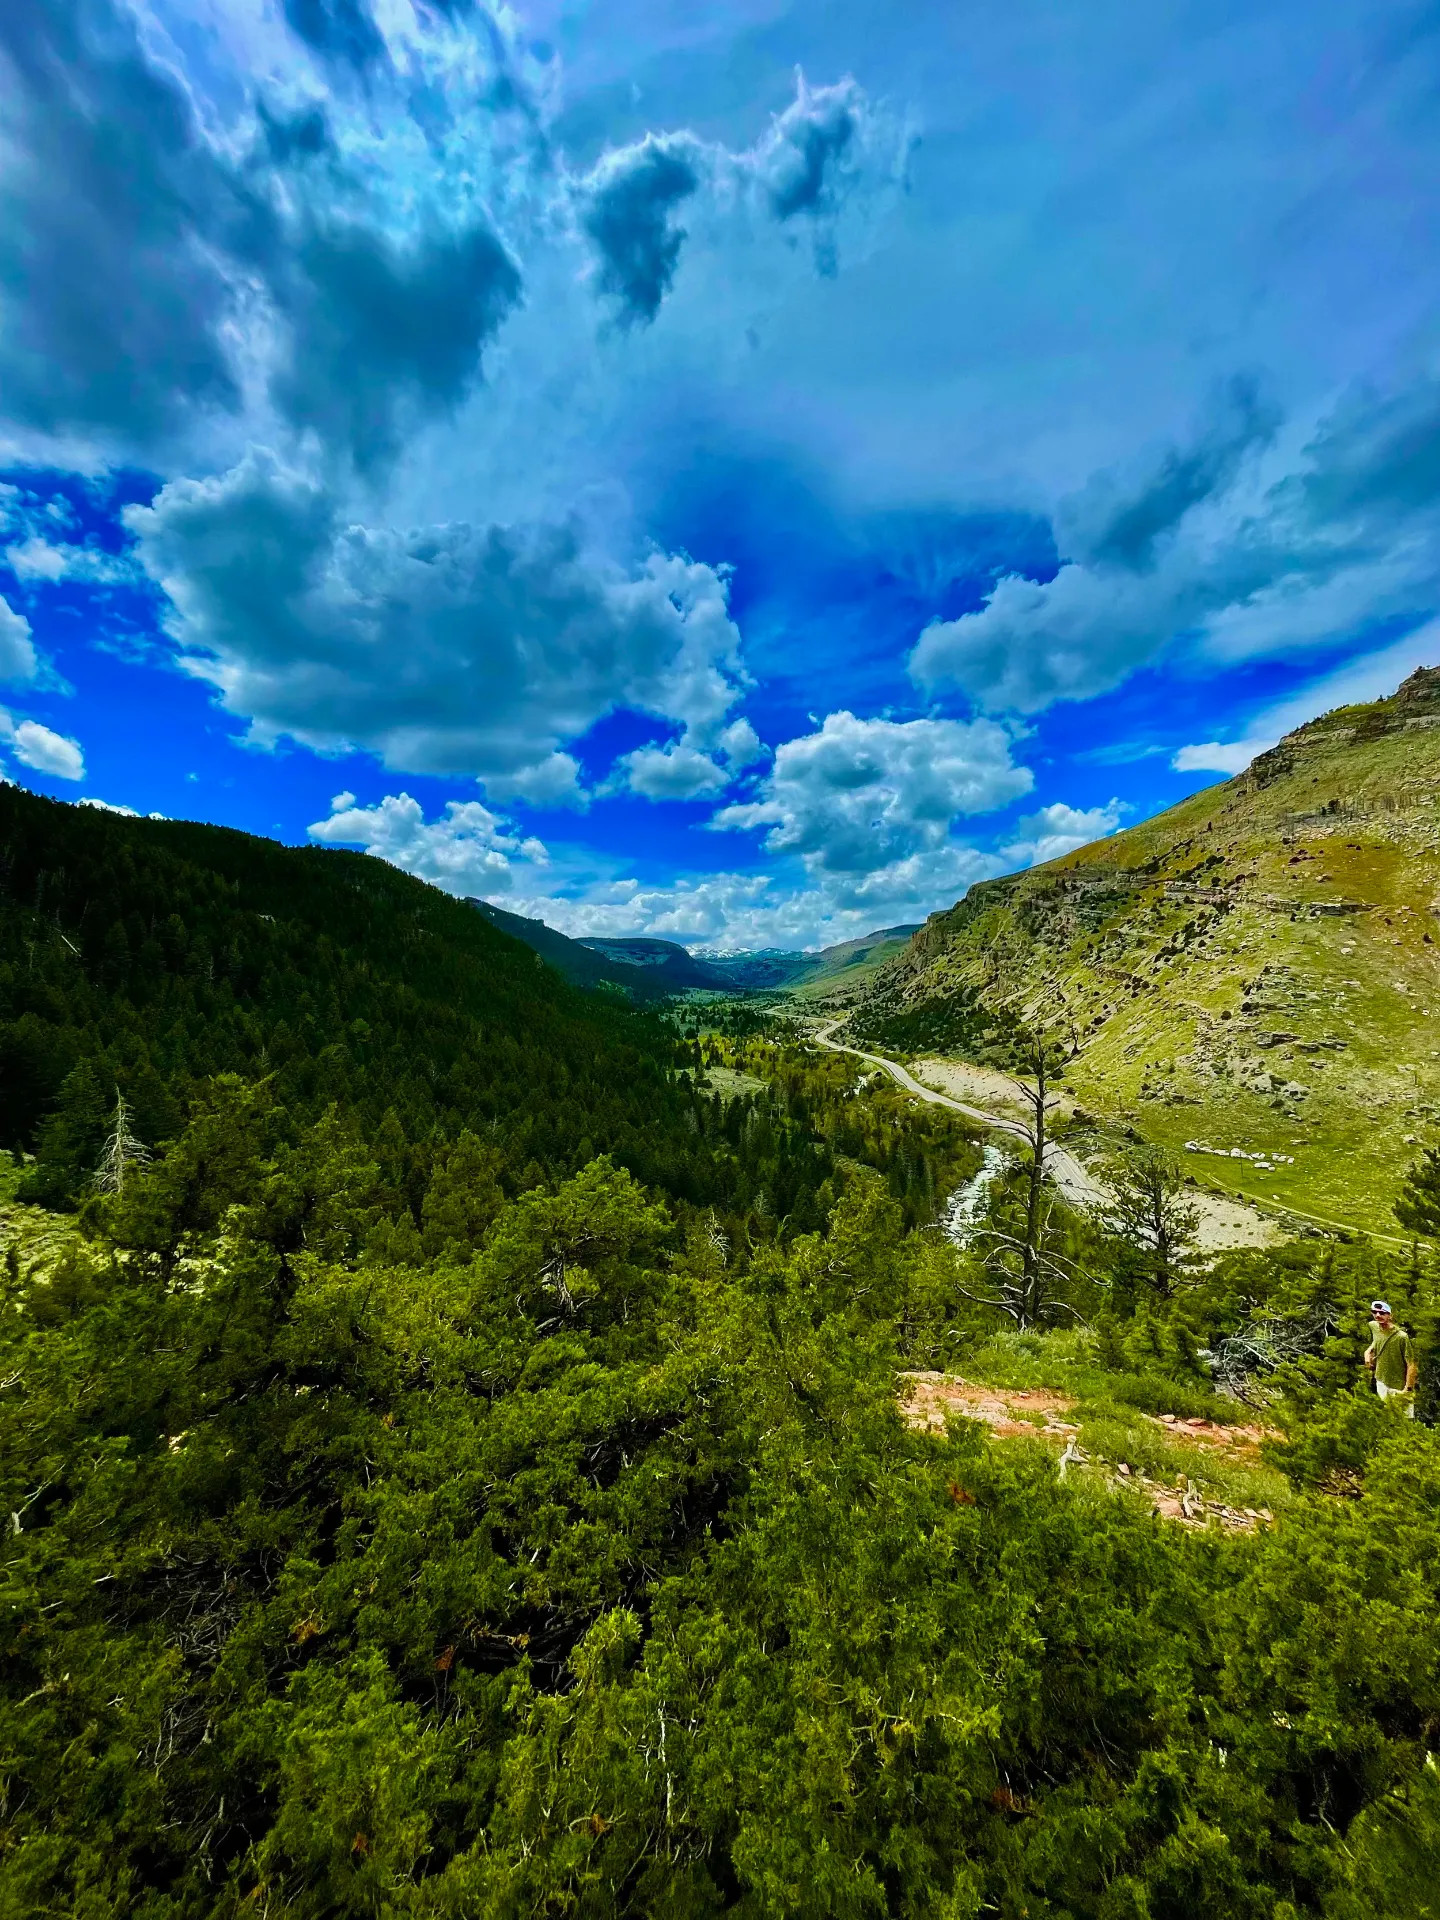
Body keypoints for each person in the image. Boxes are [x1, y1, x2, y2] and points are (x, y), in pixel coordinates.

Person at [1364, 1299, 1418, 1415]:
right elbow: (1377, 1341)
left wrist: (1407, 1389)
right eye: (1374, 1312)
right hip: (1381, 1381)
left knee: (1405, 1422)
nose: (1377, 1315)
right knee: (1387, 1418)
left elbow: (1411, 1364)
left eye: (1382, 1313)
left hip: (1398, 1387)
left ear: (1390, 1315)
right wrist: (1368, 1352)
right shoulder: (1374, 1326)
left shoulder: (1401, 1337)